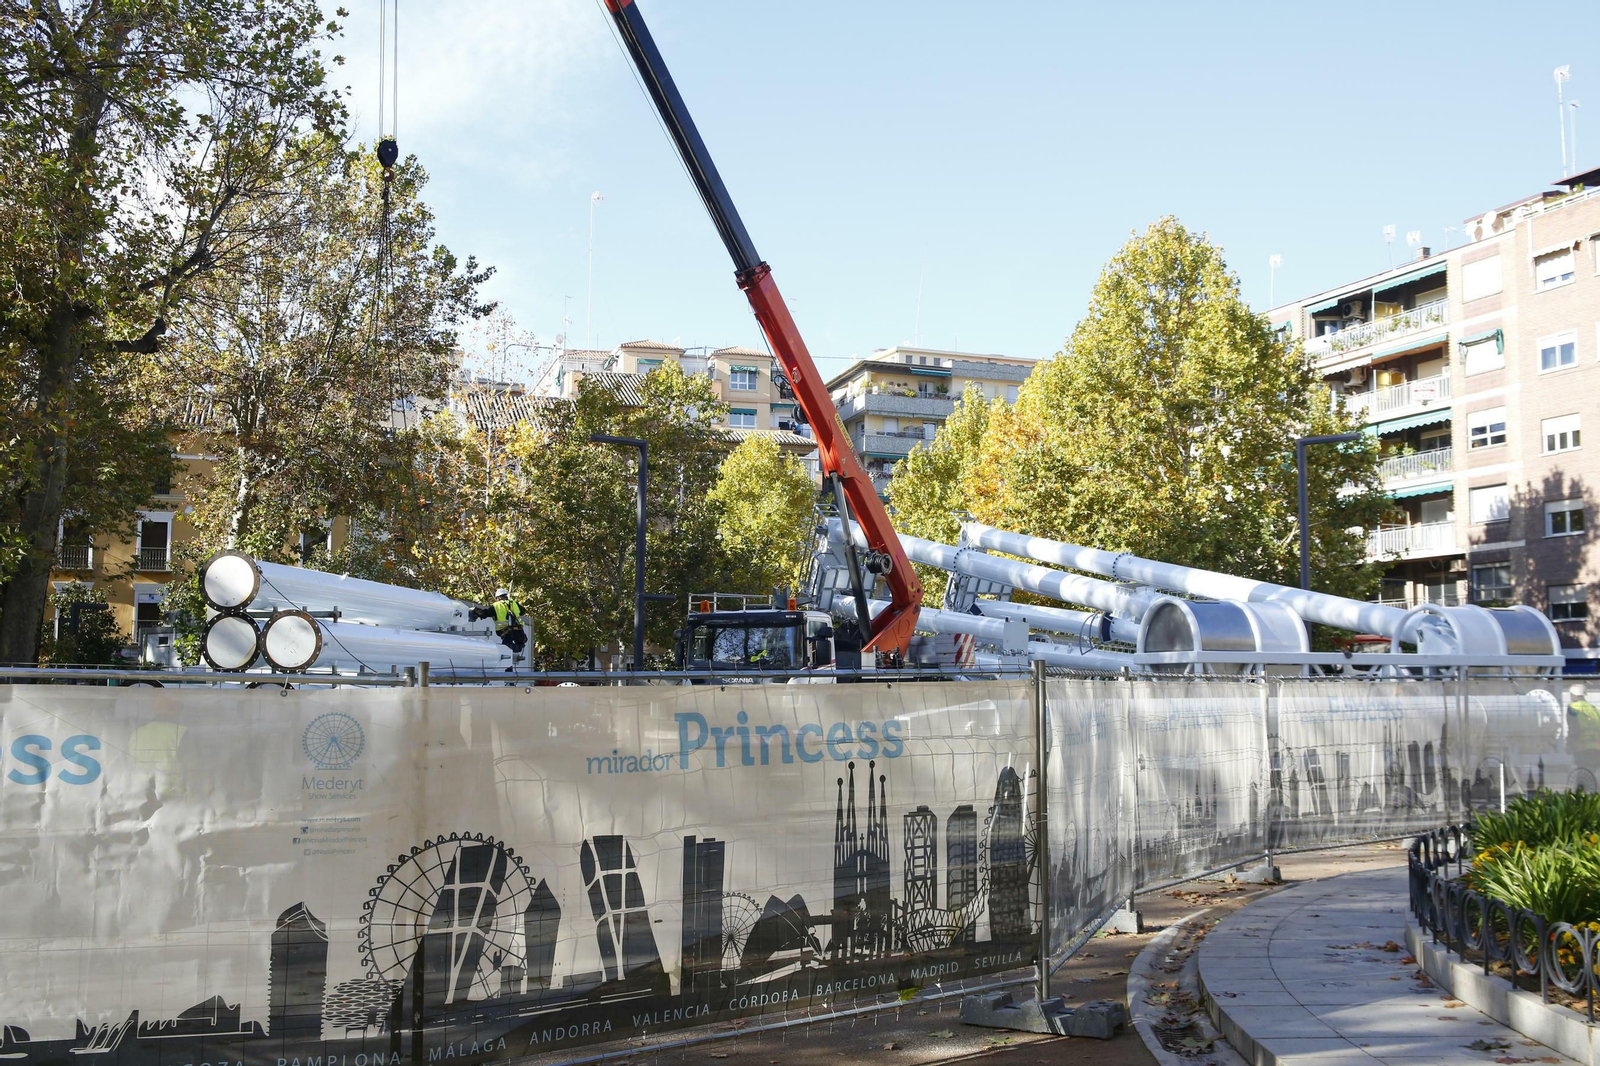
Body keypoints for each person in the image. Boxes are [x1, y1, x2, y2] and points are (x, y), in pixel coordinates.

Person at [470, 588, 527, 658]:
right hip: (518, 631)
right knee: (518, 645)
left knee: (506, 649)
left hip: (506, 633)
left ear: (499, 597)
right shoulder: (514, 603)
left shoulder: (496, 606)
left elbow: (485, 613)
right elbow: (523, 611)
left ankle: (509, 661)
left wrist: (475, 611)